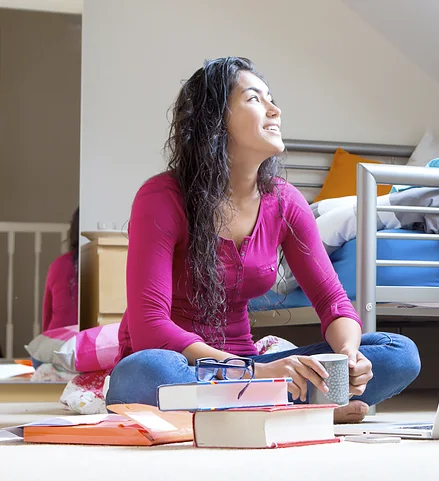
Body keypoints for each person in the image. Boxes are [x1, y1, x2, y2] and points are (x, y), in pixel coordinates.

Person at [106, 57, 421, 423]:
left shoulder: (286, 202)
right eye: (255, 99)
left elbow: (333, 301)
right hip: (187, 368)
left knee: (398, 352)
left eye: (271, 98)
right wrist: (248, 374)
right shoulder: (162, 197)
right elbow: (148, 327)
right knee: (146, 371)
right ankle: (294, 409)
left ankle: (259, 407)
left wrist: (349, 356)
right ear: (214, 119)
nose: (275, 110)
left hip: (253, 368)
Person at [42, 207, 79, 332]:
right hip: (80, 339)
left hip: (55, 337)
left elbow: (47, 314)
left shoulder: (58, 264)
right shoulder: (98, 261)